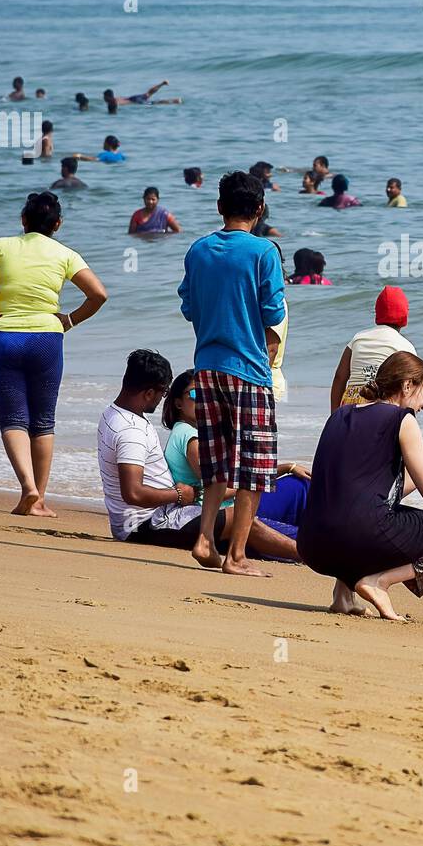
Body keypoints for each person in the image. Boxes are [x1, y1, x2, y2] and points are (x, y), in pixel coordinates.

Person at [298, 351, 423, 621]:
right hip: (359, 536)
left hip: (313, 545)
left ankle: (342, 595)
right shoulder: (402, 419)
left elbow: (384, 490)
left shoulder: (340, 414)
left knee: (358, 511)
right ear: (407, 385)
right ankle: (380, 582)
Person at [178, 169, 286, 575]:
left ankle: (205, 539)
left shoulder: (198, 250)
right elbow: (273, 311)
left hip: (207, 367)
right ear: (259, 209)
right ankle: (237, 556)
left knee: (218, 462)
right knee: (256, 467)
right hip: (249, 369)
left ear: (220, 207)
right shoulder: (263, 253)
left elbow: (188, 305)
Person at [97, 350, 298, 562]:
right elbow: (133, 494)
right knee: (241, 520)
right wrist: (179, 494)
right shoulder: (131, 432)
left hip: (147, 518)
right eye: (163, 393)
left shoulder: (112, 414)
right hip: (149, 521)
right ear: (148, 393)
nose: (161, 398)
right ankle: (309, 557)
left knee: (239, 529)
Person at [0, 192, 107, 515]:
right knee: (43, 420)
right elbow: (99, 294)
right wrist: (70, 319)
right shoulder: (65, 254)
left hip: (5, 337)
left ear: (23, 220)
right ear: (58, 224)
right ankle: (39, 500)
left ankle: (27, 486)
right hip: (47, 338)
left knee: (13, 418)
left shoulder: (1, 245)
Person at [162, 369, 310, 545]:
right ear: (178, 403)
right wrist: (281, 470)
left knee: (299, 489)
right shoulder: (189, 436)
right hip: (224, 512)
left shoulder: (192, 433)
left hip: (229, 505)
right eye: (196, 394)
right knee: (300, 489)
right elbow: (217, 491)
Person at [329, 285, 423, 420]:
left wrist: (334, 415)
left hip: (350, 405)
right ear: (405, 316)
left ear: (377, 314)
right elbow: (418, 388)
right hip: (381, 407)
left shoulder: (358, 338)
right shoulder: (404, 346)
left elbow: (339, 377)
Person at [103, 81, 181, 106]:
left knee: (155, 103)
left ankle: (175, 101)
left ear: (108, 97)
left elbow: (123, 104)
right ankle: (162, 84)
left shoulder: (113, 102)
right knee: (148, 93)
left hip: (135, 101)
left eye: (104, 97)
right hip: (133, 97)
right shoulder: (117, 98)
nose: (103, 98)